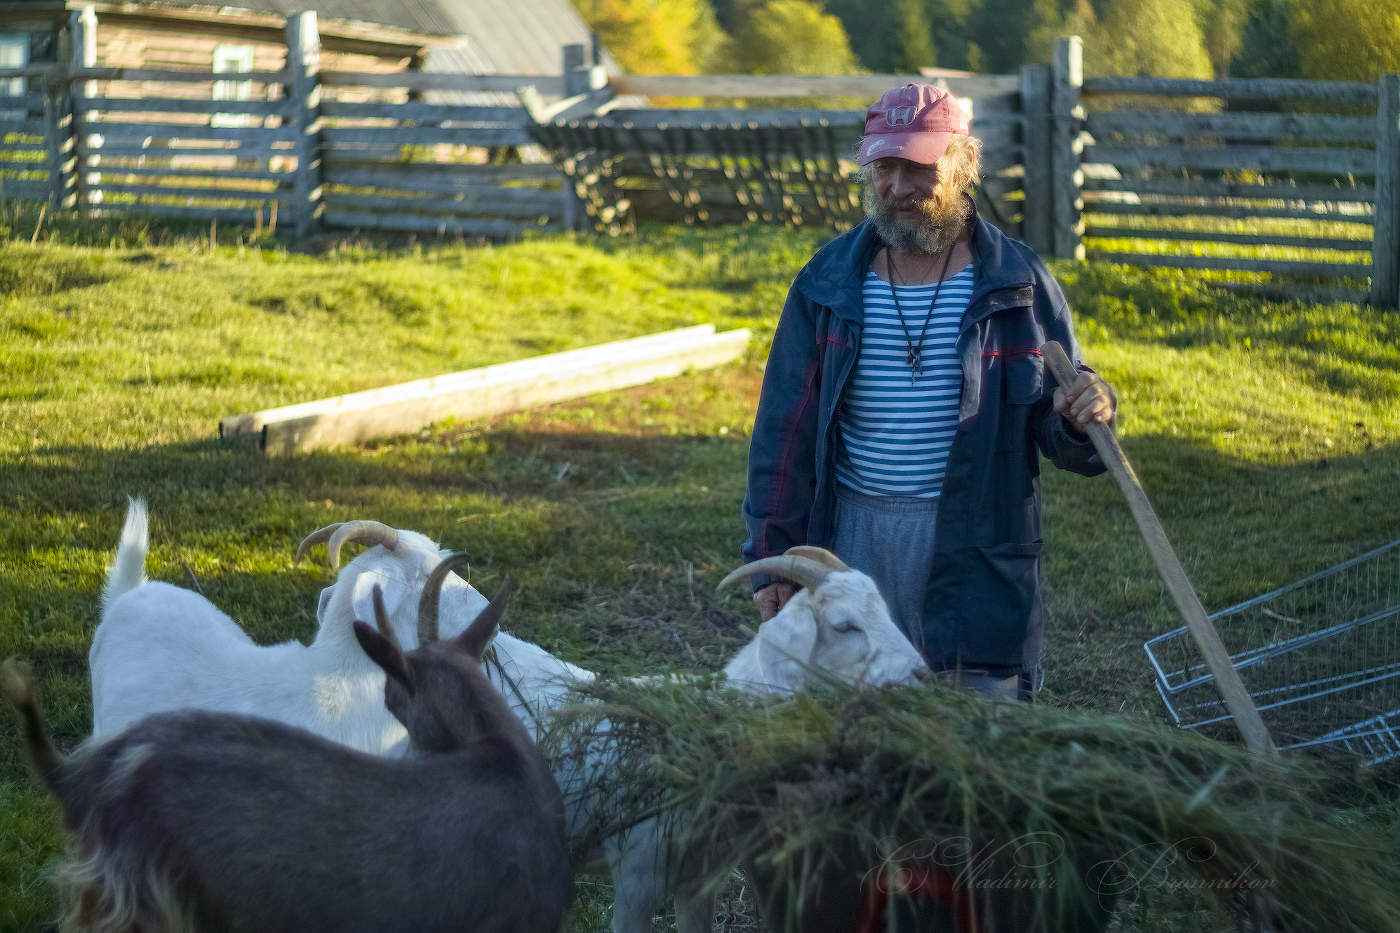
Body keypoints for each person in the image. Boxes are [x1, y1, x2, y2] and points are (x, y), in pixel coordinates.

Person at [740, 83, 1117, 701]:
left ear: (963, 165)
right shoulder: (827, 283)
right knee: (854, 730)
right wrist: (773, 552)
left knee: (976, 735)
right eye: (884, 167)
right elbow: (784, 433)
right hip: (853, 538)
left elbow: (1065, 434)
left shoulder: (1017, 283)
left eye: (918, 167)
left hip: (975, 542)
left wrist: (1082, 415)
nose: (898, 186)